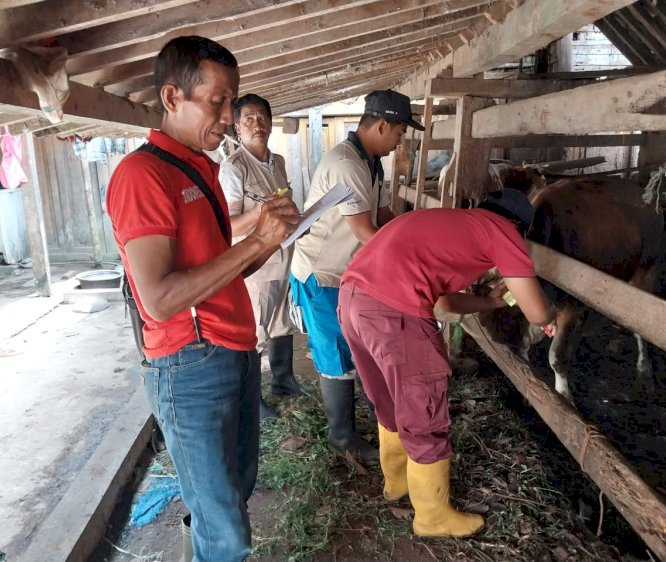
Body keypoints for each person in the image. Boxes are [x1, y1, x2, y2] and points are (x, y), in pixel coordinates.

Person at [106, 36, 299, 562]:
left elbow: (223, 270)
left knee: (231, 500)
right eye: (217, 101)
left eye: (231, 101)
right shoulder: (142, 175)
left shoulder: (203, 168)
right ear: (172, 98)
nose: (229, 115)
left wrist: (270, 242)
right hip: (189, 363)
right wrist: (257, 240)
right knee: (226, 531)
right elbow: (161, 299)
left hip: (232, 349)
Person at [338, 189, 557, 538]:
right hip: (395, 313)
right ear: (518, 226)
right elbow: (535, 310)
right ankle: (432, 516)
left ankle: (397, 484)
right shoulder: (503, 231)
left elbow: (443, 305)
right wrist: (551, 314)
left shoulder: (450, 223)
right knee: (423, 409)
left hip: (353, 300)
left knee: (390, 402)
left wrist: (489, 302)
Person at [289, 89, 424, 466]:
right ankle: (342, 438)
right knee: (335, 352)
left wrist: (416, 236)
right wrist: (409, 262)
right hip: (321, 272)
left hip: (344, 271)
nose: (401, 140)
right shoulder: (347, 164)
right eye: (399, 132)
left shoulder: (370, 162)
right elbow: (367, 231)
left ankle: (356, 421)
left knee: (351, 345)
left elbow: (383, 215)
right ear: (382, 125)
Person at [219, 93, 313, 420]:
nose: (257, 125)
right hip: (257, 265)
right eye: (248, 119)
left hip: (284, 257)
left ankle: (284, 381)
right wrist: (262, 212)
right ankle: (251, 399)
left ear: (270, 123)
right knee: (256, 332)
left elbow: (284, 209)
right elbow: (228, 227)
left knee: (283, 323)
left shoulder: (278, 162)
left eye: (262, 118)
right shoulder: (234, 169)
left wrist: (299, 221)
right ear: (237, 128)